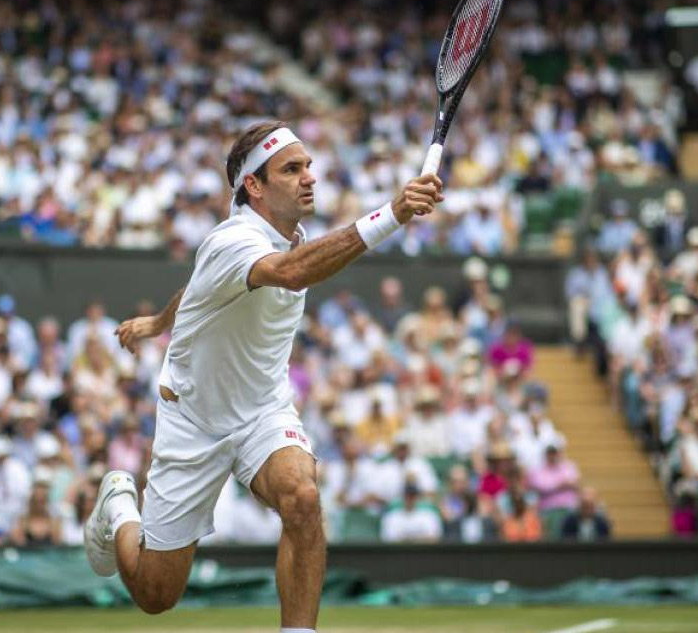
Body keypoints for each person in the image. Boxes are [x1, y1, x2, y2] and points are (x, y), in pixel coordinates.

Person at [84, 120, 443, 629]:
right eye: (291, 169)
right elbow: (293, 271)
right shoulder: (235, 239)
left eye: (308, 167)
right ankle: (119, 507)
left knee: (303, 497)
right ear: (253, 185)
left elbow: (198, 291)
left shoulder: (287, 236)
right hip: (194, 422)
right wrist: (396, 212)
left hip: (261, 411)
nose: (309, 178)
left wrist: (159, 322)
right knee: (155, 594)